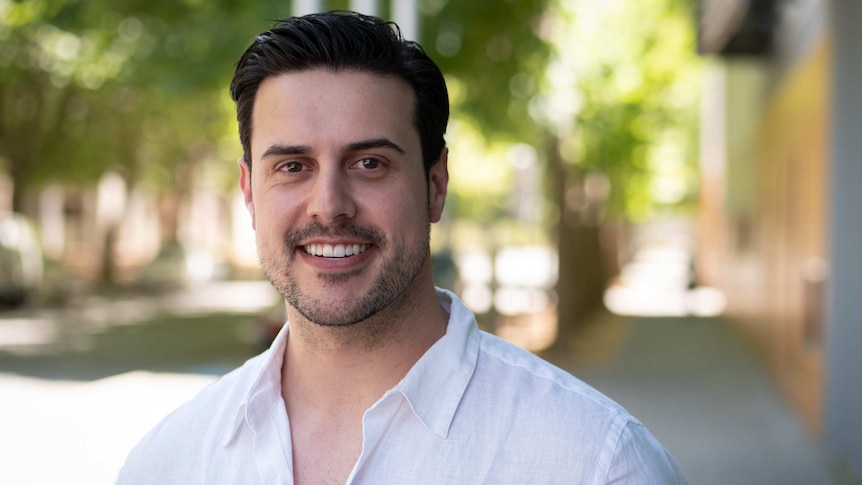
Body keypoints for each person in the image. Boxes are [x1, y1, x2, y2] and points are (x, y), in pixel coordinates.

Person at [117, 11, 686, 484]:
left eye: (370, 163)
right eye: (292, 166)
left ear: (435, 185)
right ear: (248, 192)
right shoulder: (167, 463)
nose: (329, 205)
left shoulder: (596, 463)